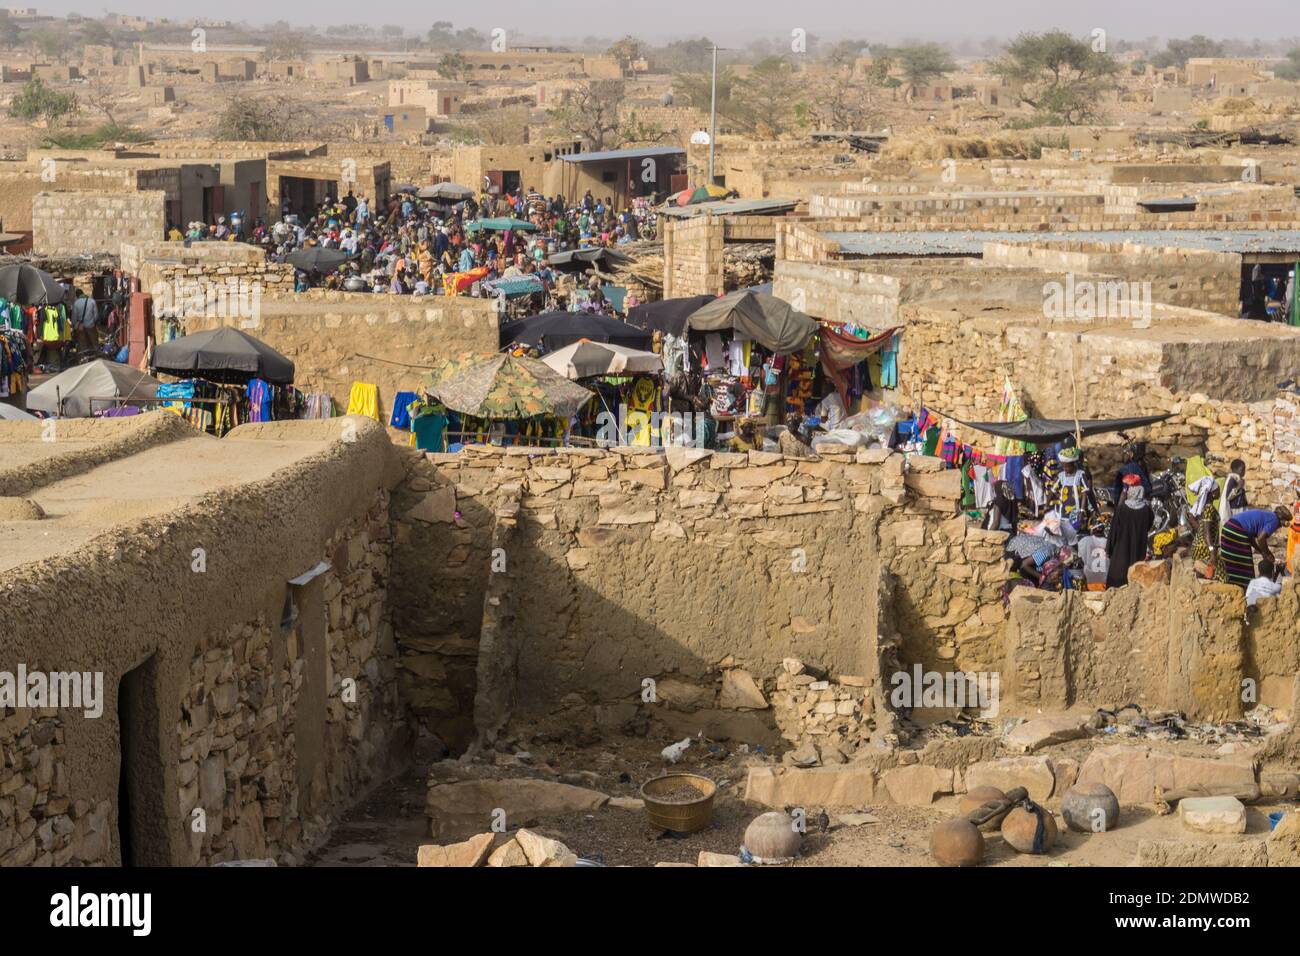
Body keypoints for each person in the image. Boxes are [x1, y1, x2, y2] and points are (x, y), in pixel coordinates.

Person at [1218, 506, 1293, 589]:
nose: (1281, 526)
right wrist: (1268, 554)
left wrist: (1262, 552)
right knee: (1245, 565)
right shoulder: (1275, 520)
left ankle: (1231, 588)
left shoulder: (1268, 516)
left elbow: (1251, 538)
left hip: (1228, 527)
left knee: (1230, 562)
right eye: (1284, 523)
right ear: (1282, 519)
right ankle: (1244, 590)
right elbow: (1261, 538)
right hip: (1236, 530)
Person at [1105, 476, 1153, 588]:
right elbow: (1148, 526)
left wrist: (1109, 549)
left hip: (1120, 553)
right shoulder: (1147, 511)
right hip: (1138, 550)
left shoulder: (1121, 510)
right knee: (1134, 578)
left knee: (1117, 583)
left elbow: (1113, 531)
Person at [69, 288, 98, 353]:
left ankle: (84, 359)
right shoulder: (92, 301)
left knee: (82, 345)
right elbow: (96, 315)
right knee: (94, 343)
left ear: (77, 296)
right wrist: (92, 322)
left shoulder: (76, 303)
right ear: (83, 293)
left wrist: (73, 325)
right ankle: (96, 358)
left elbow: (74, 317)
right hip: (91, 326)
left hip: (80, 328)